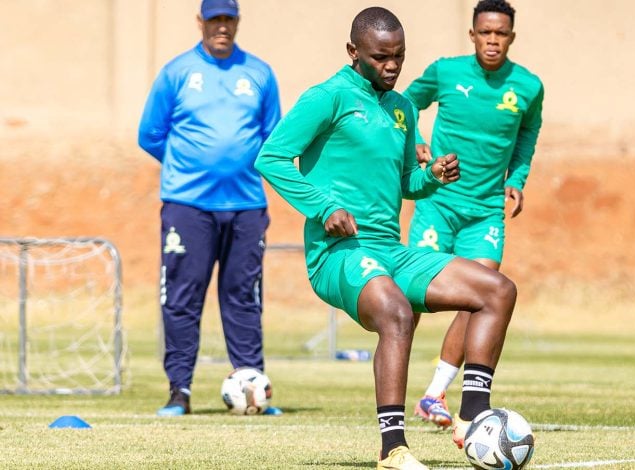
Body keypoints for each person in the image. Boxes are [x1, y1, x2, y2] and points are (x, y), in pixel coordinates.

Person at [254, 7, 516, 469]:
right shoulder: (328, 97)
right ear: (353, 52)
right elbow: (272, 158)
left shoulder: (402, 108)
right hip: (338, 253)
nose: (392, 66)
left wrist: (431, 176)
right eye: (380, 57)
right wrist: (323, 207)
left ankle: (473, 417)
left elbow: (404, 183)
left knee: (496, 290)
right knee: (396, 313)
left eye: (399, 56)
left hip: (390, 251)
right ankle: (392, 448)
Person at [402, 0, 544, 429]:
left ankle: (433, 395)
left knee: (480, 297)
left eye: (501, 33)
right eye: (486, 33)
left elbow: (527, 135)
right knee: (410, 302)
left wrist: (516, 179)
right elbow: (405, 103)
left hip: (485, 214)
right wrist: (415, 145)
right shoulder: (446, 71)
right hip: (437, 205)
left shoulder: (528, 86)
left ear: (511, 37)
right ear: (472, 34)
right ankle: (390, 394)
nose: (493, 40)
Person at [138, 0, 282, 417]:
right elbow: (150, 135)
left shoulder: (259, 74)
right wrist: (189, 168)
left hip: (247, 206)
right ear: (201, 21)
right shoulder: (177, 72)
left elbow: (274, 139)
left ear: (237, 22)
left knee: (243, 297)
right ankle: (179, 391)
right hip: (188, 206)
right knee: (182, 298)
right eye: (215, 19)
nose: (222, 26)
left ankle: (252, 389)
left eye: (229, 19)